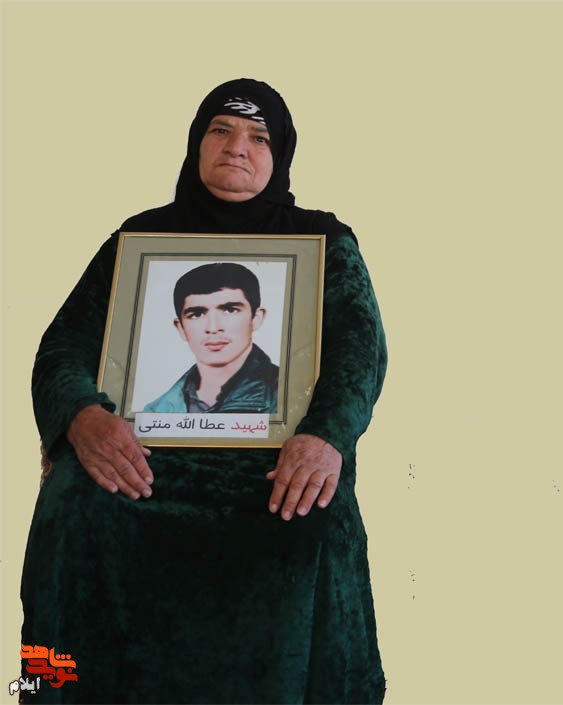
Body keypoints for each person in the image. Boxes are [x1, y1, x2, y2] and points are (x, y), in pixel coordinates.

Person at [21, 79, 387, 704]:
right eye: (221, 129)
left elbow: (360, 350)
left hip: (275, 464)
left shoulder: (324, 241)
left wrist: (325, 435)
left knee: (316, 514)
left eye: (259, 136)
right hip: (142, 462)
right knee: (70, 498)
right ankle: (56, 690)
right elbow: (62, 348)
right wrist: (82, 415)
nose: (237, 146)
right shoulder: (138, 239)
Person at [143, 262, 279, 414]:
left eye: (230, 310)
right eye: (196, 314)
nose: (213, 328)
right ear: (180, 327)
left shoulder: (287, 395)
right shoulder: (156, 411)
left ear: (256, 318)